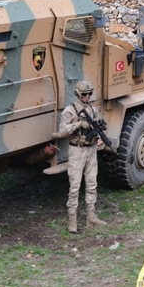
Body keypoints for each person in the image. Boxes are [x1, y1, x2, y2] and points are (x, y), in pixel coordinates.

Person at [55, 80, 107, 232]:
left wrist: (99, 138)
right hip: (77, 150)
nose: (87, 97)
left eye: (89, 94)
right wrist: (78, 124)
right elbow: (62, 131)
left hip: (91, 149)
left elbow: (97, 127)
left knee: (92, 183)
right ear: (78, 94)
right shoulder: (70, 111)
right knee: (75, 185)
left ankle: (91, 216)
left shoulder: (93, 110)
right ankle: (72, 219)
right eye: (84, 94)